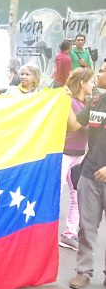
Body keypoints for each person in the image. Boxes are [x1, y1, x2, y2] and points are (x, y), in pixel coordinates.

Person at [66, 62, 106, 289]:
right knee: (87, 227)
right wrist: (64, 98)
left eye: (103, 71)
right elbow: (73, 125)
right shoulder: (95, 102)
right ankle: (83, 271)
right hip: (90, 174)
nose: (99, 74)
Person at [59, 68, 95, 251]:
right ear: (82, 83)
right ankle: (44, 231)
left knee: (77, 196)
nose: (93, 84)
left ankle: (69, 234)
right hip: (63, 154)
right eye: (91, 81)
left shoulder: (88, 103)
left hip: (79, 155)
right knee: (55, 194)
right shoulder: (69, 101)